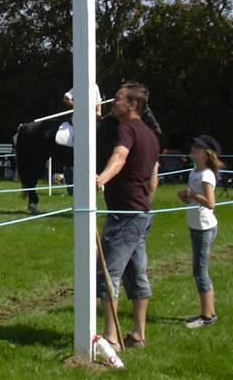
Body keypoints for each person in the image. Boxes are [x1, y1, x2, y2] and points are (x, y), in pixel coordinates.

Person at [96, 82, 160, 350]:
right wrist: (144, 206)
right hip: (141, 213)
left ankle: (111, 337)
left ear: (133, 104)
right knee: (137, 276)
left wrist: (101, 179)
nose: (114, 102)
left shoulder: (127, 129)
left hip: (125, 216)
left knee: (108, 277)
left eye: (119, 98)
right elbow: (153, 180)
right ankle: (138, 335)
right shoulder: (151, 134)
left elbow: (119, 157)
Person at [177, 134, 224, 329]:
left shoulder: (206, 175)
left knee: (200, 272)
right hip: (195, 225)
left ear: (205, 154)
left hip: (205, 227)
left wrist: (193, 194)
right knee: (199, 270)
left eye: (197, 147)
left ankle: (207, 317)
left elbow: (211, 203)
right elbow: (191, 200)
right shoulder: (195, 171)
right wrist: (185, 196)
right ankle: (209, 313)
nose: (192, 148)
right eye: (193, 145)